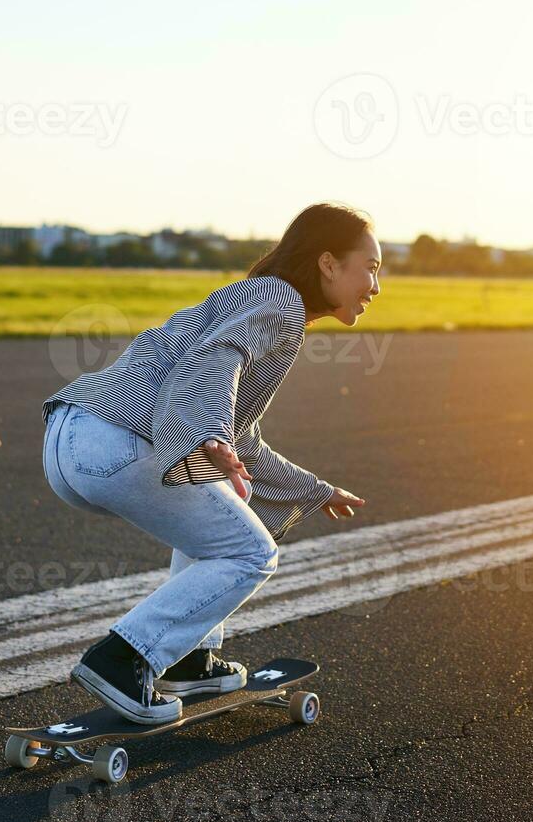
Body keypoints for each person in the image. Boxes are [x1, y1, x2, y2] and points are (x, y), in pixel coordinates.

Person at [41, 203, 377, 723]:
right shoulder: (280, 301)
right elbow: (219, 358)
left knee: (226, 494)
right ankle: (124, 658)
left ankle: (193, 659)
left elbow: (244, 442)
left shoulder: (258, 298)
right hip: (117, 440)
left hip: (76, 438)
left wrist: (315, 489)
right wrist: (211, 433)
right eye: (371, 267)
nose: (376, 285)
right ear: (329, 264)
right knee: (252, 554)